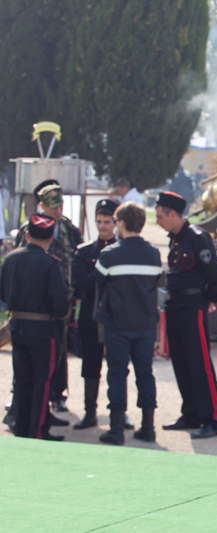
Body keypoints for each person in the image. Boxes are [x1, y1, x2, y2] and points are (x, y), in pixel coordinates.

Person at [155, 192, 217, 439]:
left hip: (193, 306)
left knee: (200, 364)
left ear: (173, 214)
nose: (157, 221)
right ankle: (192, 414)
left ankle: (212, 420)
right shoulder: (175, 238)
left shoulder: (197, 237)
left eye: (160, 216)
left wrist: (209, 301)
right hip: (175, 306)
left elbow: (215, 273)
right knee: (182, 363)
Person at [94, 202, 163, 445]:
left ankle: (116, 428)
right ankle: (148, 427)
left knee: (117, 374)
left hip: (118, 324)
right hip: (145, 324)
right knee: (145, 374)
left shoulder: (109, 254)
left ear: (120, 223)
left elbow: (98, 283)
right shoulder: (153, 253)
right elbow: (157, 283)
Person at [15, 180, 82, 414]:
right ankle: (22, 396)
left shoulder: (69, 229)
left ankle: (57, 393)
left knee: (59, 348)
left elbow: (78, 261)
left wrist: (75, 295)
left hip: (61, 299)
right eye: (53, 207)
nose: (58, 211)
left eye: (60, 206)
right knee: (26, 353)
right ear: (42, 205)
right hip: (33, 302)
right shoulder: (29, 228)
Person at [0, 215, 70, 440]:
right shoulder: (50, 263)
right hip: (43, 329)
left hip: (18, 326)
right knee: (42, 381)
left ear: (27, 235)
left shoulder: (10, 259)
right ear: (50, 239)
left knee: (22, 380)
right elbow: (60, 303)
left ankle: (21, 427)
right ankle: (38, 431)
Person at [72, 199, 120, 430]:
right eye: (99, 222)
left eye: (107, 222)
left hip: (116, 317)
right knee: (90, 365)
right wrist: (101, 276)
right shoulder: (84, 251)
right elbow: (79, 283)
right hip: (91, 317)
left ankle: (119, 413)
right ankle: (89, 410)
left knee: (117, 366)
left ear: (116, 223)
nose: (102, 226)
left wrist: (95, 277)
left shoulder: (123, 250)